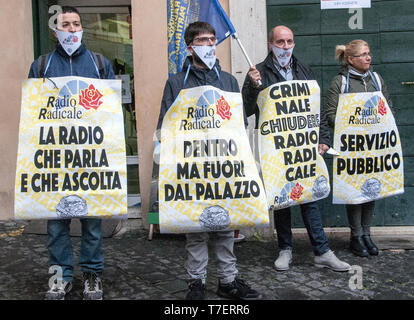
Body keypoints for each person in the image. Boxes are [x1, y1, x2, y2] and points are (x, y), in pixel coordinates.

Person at [158, 21, 262, 300]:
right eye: (203, 40)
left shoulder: (228, 80)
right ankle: (196, 282)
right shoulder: (176, 82)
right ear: (190, 46)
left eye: (212, 40)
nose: (209, 45)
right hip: (192, 168)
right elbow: (165, 125)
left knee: (226, 227)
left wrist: (251, 88)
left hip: (223, 167)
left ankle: (228, 281)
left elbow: (239, 121)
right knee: (195, 229)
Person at [242, 25, 351, 272]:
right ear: (270, 44)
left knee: (309, 197)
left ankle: (322, 251)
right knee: (282, 200)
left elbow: (317, 109)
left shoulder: (304, 70)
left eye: (289, 41)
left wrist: (323, 137)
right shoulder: (258, 72)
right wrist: (251, 86)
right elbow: (246, 110)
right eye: (280, 42)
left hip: (302, 147)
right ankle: (285, 249)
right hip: (277, 149)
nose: (285, 46)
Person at [28, 6, 115, 300]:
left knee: (92, 224)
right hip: (56, 162)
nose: (73, 29)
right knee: (56, 225)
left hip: (90, 159)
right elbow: (32, 114)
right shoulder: (41, 66)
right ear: (55, 31)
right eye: (66, 24)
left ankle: (92, 276)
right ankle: (59, 276)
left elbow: (111, 113)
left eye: (77, 24)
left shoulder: (99, 64)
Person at [324, 40, 393, 257]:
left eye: (369, 53)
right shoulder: (340, 82)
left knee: (371, 189)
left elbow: (388, 109)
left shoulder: (377, 80)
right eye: (363, 55)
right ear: (351, 59)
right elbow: (330, 114)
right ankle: (355, 237)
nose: (368, 58)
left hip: (373, 147)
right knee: (355, 191)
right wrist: (354, 125)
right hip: (352, 147)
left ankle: (367, 234)